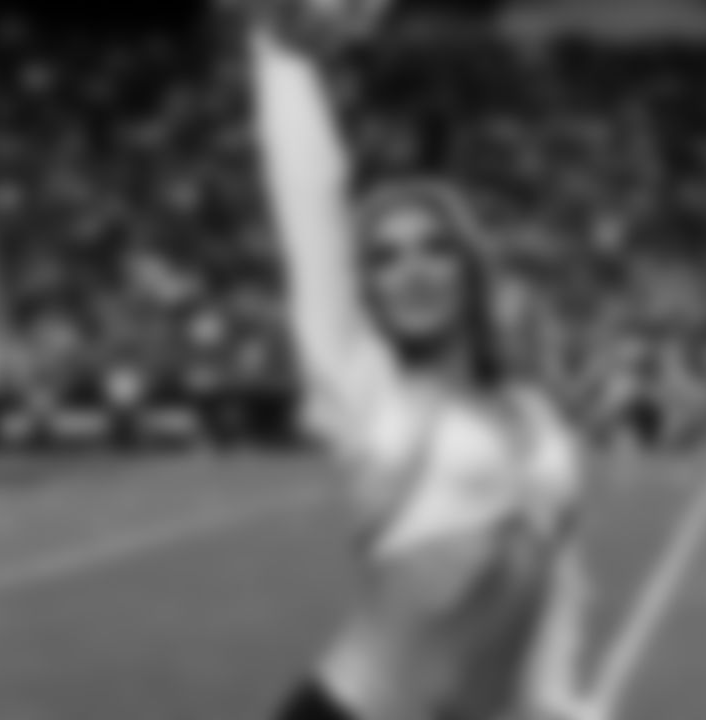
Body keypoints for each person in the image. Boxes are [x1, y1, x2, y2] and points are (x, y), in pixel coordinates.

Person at [242, 3, 597, 720]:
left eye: (436, 248)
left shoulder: (532, 413)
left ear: (470, 268)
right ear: (366, 288)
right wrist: (283, 57)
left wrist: (559, 702)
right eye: (385, 258)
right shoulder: (365, 390)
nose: (413, 271)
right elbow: (312, 198)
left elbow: (555, 579)